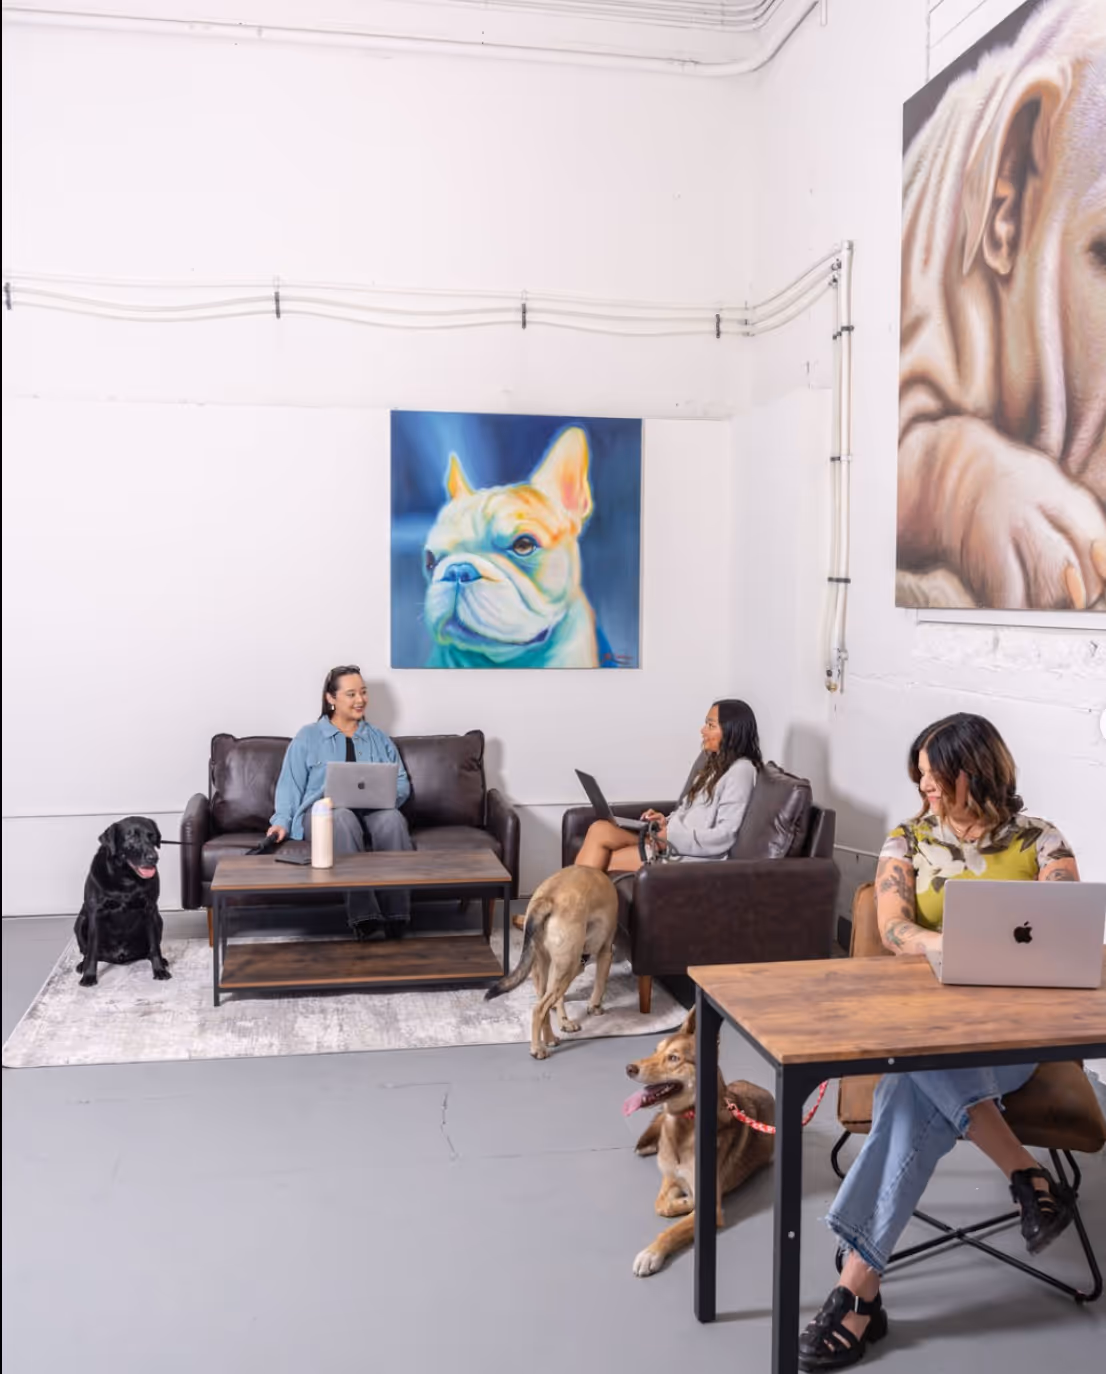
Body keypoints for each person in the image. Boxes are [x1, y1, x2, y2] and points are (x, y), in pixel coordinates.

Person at [799, 713, 1079, 1371]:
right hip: (924, 1022)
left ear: (972, 771)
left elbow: (1062, 925)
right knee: (914, 1073)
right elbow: (892, 927)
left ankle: (858, 1293)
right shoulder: (908, 840)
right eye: (918, 774)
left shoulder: (1041, 840)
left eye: (933, 774)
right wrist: (954, 949)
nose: (923, 786)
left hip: (1012, 1031)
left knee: (907, 1083)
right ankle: (1025, 1175)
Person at [268, 666, 414, 939]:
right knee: (342, 817)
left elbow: (402, 782)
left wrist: (385, 798)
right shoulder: (308, 736)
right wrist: (281, 822)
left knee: (393, 819)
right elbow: (290, 785)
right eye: (351, 694)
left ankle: (397, 917)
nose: (360, 699)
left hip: (373, 811)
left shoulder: (377, 737)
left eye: (363, 692)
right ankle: (365, 918)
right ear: (331, 698)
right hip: (325, 815)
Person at [574, 699, 763, 873]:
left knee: (602, 860)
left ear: (732, 731)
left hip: (685, 853)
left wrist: (669, 838)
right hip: (668, 839)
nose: (702, 730)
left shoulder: (741, 771)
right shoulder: (715, 764)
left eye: (710, 725)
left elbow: (725, 836)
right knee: (600, 828)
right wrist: (666, 821)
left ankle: (564, 905)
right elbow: (691, 813)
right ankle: (564, 905)